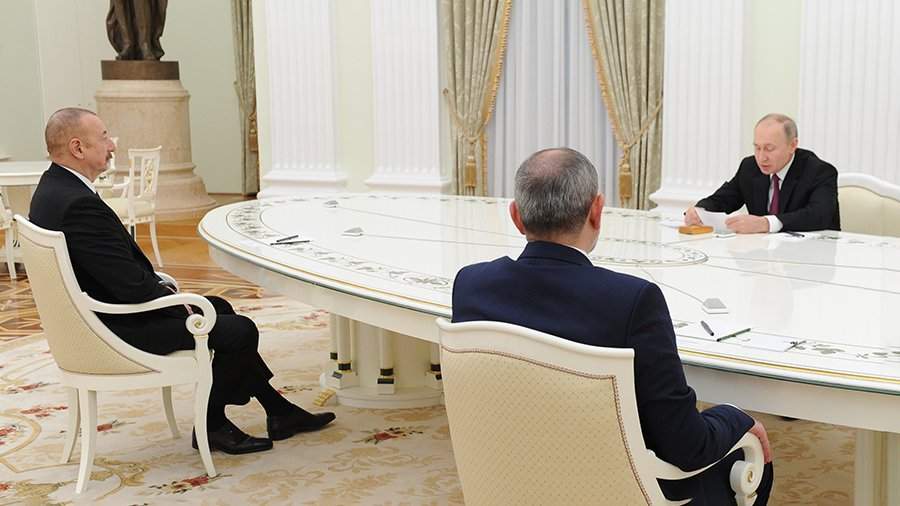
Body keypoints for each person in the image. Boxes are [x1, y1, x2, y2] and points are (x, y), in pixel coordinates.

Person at [452, 148, 774, 505]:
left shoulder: (471, 285)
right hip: (612, 492)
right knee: (751, 460)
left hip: (509, 479)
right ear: (596, 210)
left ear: (515, 215)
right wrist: (735, 418)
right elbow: (686, 446)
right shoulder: (632, 301)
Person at [29, 108, 334, 455]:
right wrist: (177, 302)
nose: (112, 145)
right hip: (117, 327)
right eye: (103, 137)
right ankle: (212, 425)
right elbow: (130, 287)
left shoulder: (54, 188)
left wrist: (172, 295)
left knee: (220, 308)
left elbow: (111, 272)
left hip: (95, 315)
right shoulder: (78, 204)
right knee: (240, 331)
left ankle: (279, 411)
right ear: (77, 147)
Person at [684, 113, 840, 233]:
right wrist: (699, 211)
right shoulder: (749, 167)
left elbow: (819, 215)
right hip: (762, 254)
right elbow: (724, 199)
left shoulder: (819, 171)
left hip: (811, 256)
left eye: (769, 148)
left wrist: (766, 223)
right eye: (757, 148)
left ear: (793, 145)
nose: (761, 157)